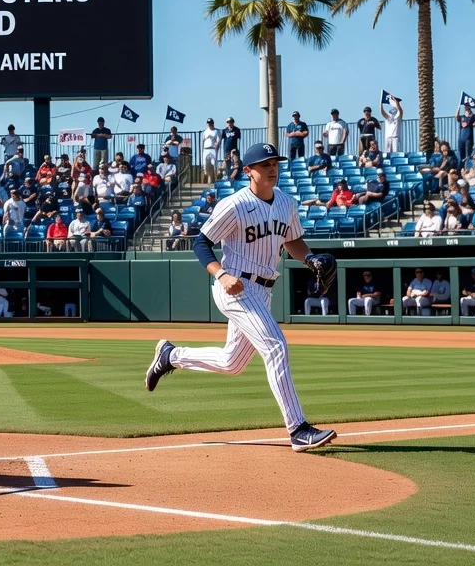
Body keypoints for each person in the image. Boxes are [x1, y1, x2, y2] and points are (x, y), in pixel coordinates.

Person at [143, 142, 337, 452]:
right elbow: (201, 243)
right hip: (234, 287)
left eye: (274, 162)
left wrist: (310, 258)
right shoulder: (234, 204)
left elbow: (293, 240)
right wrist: (221, 273)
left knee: (232, 362)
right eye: (264, 164)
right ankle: (298, 429)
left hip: (263, 290)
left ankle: (171, 355)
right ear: (248, 170)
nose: (272, 167)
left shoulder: (286, 203)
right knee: (275, 346)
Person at [200, 119, 220, 184]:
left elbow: (218, 139)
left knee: (214, 163)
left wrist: (217, 145)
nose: (209, 124)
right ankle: (207, 179)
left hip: (213, 149)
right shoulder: (205, 131)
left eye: (210, 123)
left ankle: (215, 179)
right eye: (208, 123)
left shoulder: (216, 131)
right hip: (206, 149)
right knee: (205, 164)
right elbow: (203, 140)